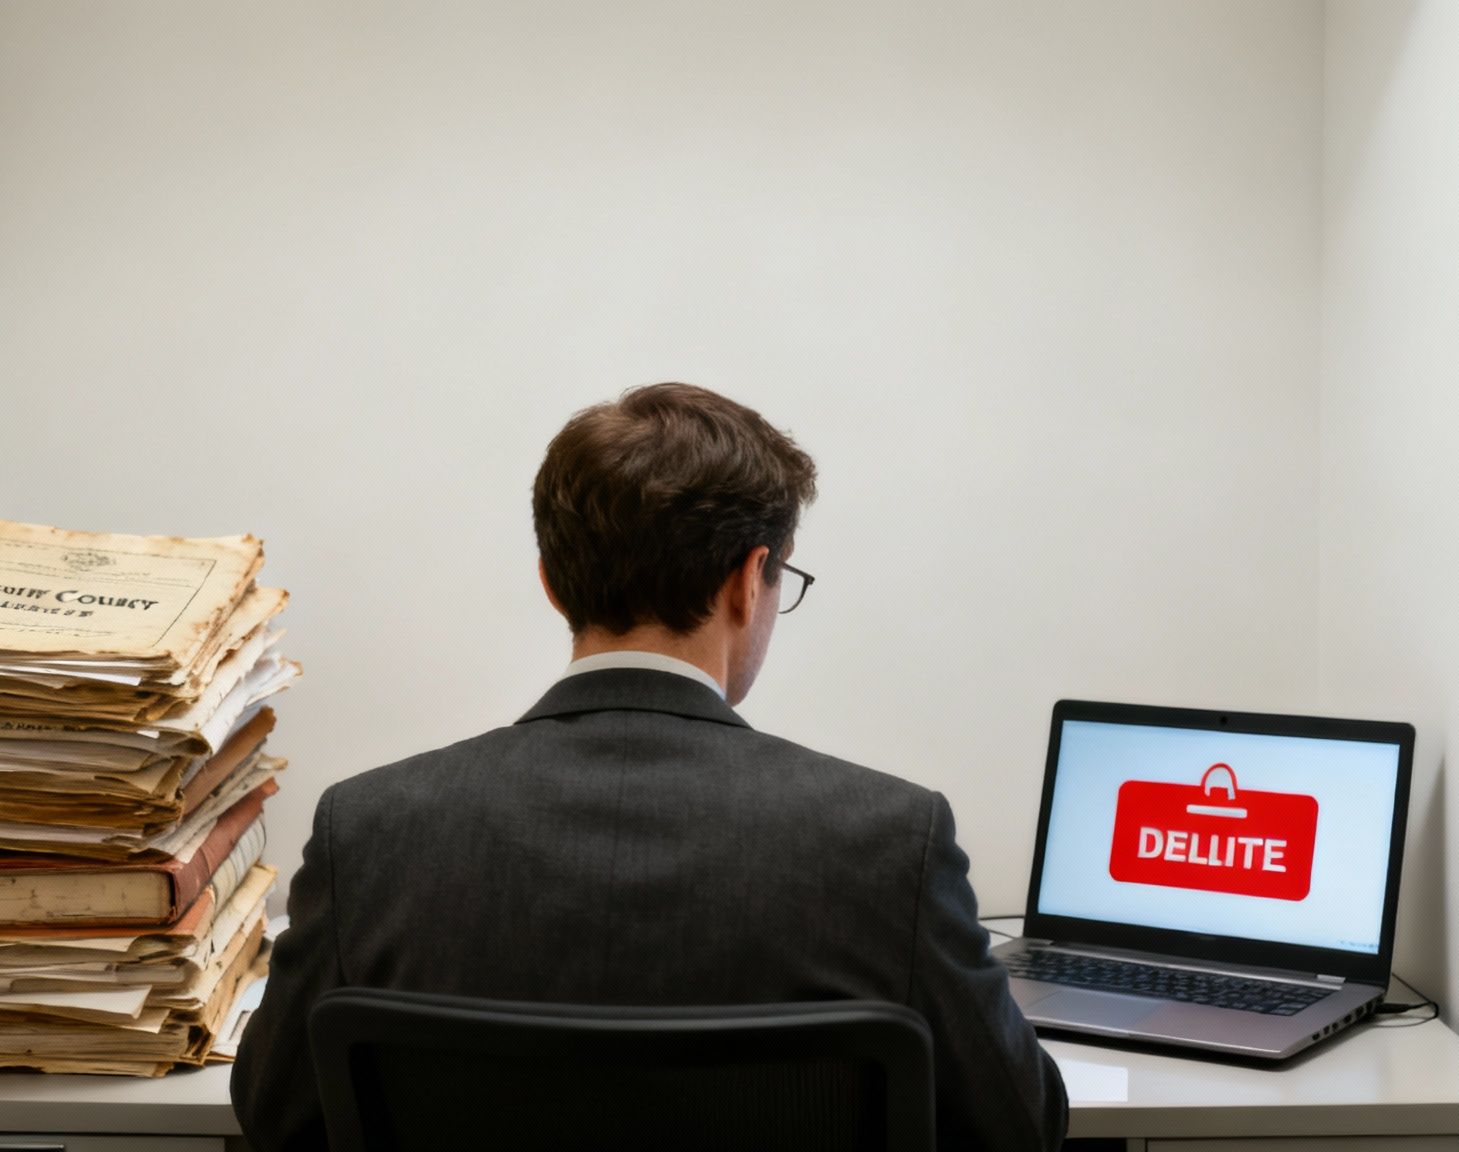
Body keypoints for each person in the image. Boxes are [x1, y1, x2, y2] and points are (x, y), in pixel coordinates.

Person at [231, 382, 1068, 1150]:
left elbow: (275, 1111)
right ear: (751, 582)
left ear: (554, 584)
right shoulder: (891, 839)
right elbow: (1019, 1126)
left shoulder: (368, 830)